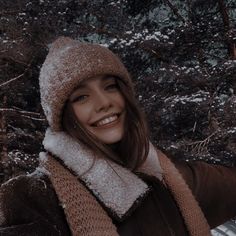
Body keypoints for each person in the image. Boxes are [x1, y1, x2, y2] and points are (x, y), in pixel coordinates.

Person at [0, 36, 235, 236]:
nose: (104, 103)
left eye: (110, 86)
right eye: (81, 97)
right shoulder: (33, 198)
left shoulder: (169, 176)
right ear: (63, 116)